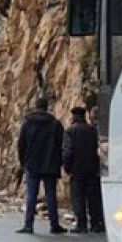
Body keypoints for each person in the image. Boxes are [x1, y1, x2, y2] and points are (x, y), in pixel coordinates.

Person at [16, 95, 66, 234]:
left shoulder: (27, 124)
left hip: (32, 164)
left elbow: (21, 145)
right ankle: (54, 224)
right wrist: (59, 162)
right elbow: (62, 144)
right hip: (50, 164)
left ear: (35, 107)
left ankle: (28, 225)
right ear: (47, 107)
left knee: (31, 195)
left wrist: (23, 162)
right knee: (51, 195)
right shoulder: (56, 124)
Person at [63, 106, 105, 233]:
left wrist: (67, 167)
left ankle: (81, 224)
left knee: (78, 198)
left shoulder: (70, 131)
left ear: (74, 117)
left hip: (77, 170)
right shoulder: (92, 130)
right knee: (93, 197)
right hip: (92, 169)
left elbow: (68, 151)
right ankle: (95, 223)